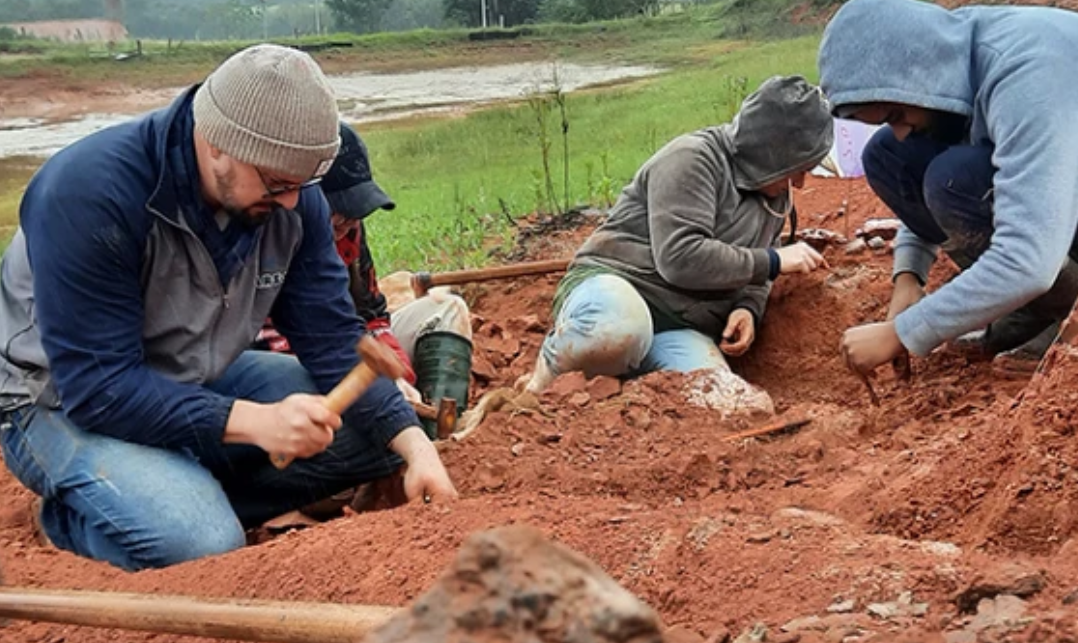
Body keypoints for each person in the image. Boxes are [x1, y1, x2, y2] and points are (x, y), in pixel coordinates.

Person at [0, 44, 457, 572]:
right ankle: (84, 518)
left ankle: (169, 489)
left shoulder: (292, 198)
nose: (291, 202)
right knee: (202, 544)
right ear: (217, 145)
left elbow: (332, 337)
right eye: (277, 183)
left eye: (301, 184)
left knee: (377, 437)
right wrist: (254, 423)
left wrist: (415, 447)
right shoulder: (89, 194)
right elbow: (98, 389)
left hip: (190, 373)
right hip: (58, 399)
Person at [816, 0, 1078, 376]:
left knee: (956, 180)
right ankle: (1037, 306)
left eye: (896, 113)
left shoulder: (1029, 73)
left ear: (918, 75)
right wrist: (909, 277)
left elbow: (1029, 257)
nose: (900, 130)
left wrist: (902, 333)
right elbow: (918, 156)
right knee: (889, 156)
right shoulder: (953, 55)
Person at [523, 75, 833, 394]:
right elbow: (680, 257)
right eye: (797, 169)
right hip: (620, 287)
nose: (800, 184)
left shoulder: (774, 195)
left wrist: (747, 308)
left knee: (732, 404)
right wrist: (772, 261)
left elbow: (761, 267)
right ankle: (538, 385)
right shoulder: (692, 159)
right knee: (615, 333)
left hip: (681, 324)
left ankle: (620, 385)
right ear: (770, 153)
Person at [255, 122, 474, 438]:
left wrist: (397, 376)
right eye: (337, 213)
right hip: (300, 373)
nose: (348, 224)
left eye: (355, 213)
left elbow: (372, 316)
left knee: (447, 309)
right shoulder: (269, 241)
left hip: (351, 354)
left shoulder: (350, 236)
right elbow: (273, 345)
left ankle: (437, 436)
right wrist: (373, 382)